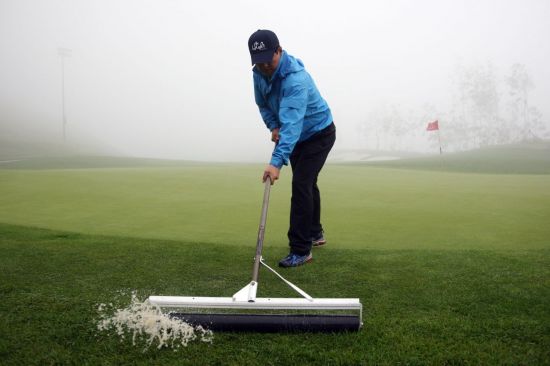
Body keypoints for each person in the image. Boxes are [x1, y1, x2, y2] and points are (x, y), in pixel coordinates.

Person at [248, 29, 336, 268]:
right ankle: (315, 232)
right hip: (296, 133)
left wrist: (275, 163)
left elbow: (293, 124)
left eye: (269, 58)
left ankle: (301, 249)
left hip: (319, 133)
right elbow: (263, 104)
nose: (265, 65)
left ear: (279, 50)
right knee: (307, 182)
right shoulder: (258, 72)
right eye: (259, 61)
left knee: (301, 184)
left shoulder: (296, 79)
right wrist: (273, 126)